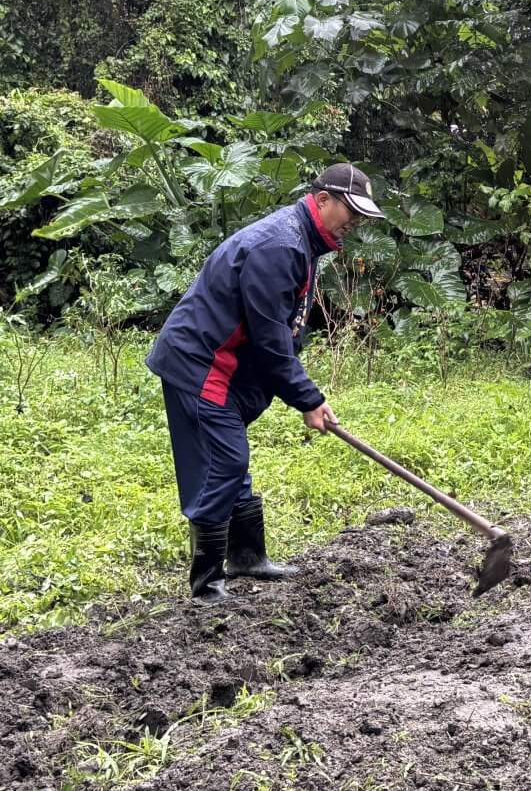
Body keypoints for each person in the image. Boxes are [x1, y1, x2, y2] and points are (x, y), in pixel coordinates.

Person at [146, 163, 384, 600]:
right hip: (201, 363)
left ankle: (247, 557)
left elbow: (286, 328)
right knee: (226, 462)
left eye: (361, 214)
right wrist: (308, 399)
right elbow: (270, 337)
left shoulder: (300, 241)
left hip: (226, 362)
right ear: (323, 199)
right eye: (351, 210)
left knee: (232, 461)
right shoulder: (279, 246)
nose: (355, 221)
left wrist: (301, 392)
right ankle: (206, 584)